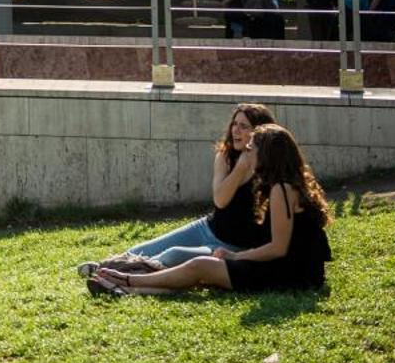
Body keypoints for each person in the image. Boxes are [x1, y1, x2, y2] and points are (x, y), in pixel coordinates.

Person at [92, 124, 332, 296]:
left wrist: (235, 256)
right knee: (202, 275)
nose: (246, 154)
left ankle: (126, 279)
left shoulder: (282, 189)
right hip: (296, 272)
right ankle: (127, 289)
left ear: (267, 154)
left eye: (251, 149)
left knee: (201, 266)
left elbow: (278, 249)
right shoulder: (285, 184)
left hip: (292, 276)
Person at [76, 103, 277, 280]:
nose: (236, 131)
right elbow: (220, 200)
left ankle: (121, 276)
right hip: (207, 228)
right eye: (235, 124)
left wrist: (245, 166)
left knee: (173, 255)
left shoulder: (269, 166)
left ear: (258, 133)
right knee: (139, 250)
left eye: (244, 127)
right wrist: (240, 166)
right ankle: (106, 267)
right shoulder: (225, 157)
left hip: (233, 245)